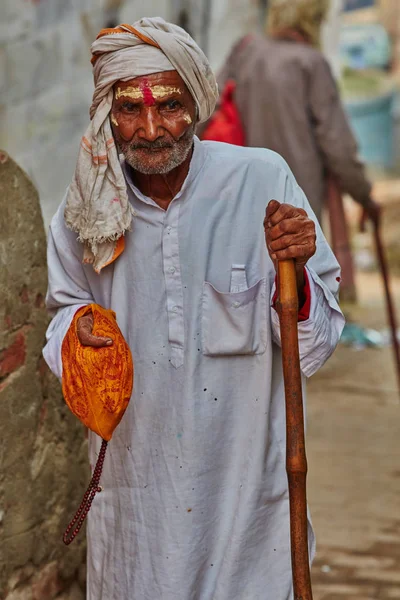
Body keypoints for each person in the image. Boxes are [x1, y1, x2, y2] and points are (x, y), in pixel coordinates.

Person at [43, 17, 345, 600]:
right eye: (131, 108)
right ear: (108, 113)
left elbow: (318, 344)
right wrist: (79, 330)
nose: (153, 128)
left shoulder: (262, 181)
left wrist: (300, 275)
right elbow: (64, 312)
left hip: (247, 502)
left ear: (199, 102)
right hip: (138, 499)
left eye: (171, 105)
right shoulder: (85, 210)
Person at [207, 0, 379, 225]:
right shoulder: (311, 63)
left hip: (244, 190)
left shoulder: (244, 51)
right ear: (313, 20)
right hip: (298, 200)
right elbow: (337, 146)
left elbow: (206, 109)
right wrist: (364, 196)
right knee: (296, 257)